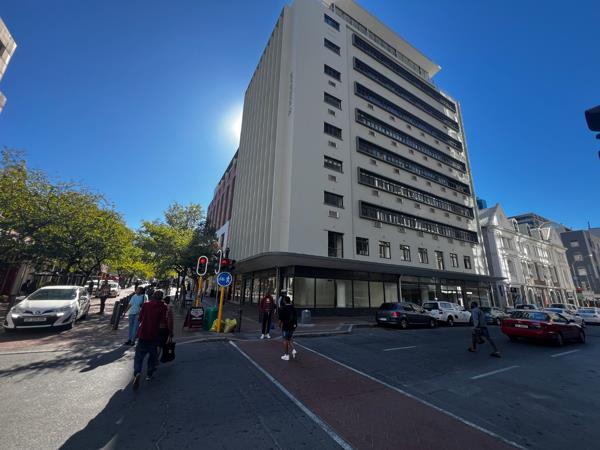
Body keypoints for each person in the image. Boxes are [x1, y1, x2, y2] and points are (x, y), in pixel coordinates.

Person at [133, 290, 172, 390]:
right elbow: (163, 321)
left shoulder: (146, 305)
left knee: (139, 356)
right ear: (162, 297)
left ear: (153, 296)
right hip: (154, 335)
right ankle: (149, 374)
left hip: (143, 333)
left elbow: (140, 318)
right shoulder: (163, 307)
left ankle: (137, 372)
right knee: (152, 356)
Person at [278, 296, 297, 361]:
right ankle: (293, 350)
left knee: (285, 340)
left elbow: (280, 319)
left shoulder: (283, 308)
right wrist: (295, 325)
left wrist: (279, 325)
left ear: (285, 301)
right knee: (289, 339)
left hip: (285, 326)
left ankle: (286, 355)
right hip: (292, 326)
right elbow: (295, 317)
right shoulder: (293, 308)